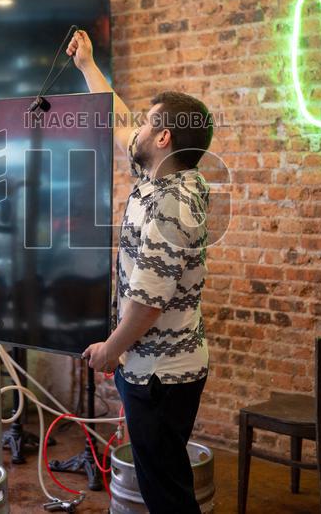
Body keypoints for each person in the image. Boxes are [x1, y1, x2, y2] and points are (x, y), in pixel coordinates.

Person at [67, 30, 213, 513]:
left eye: (150, 124)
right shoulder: (171, 177)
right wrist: (88, 65)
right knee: (165, 483)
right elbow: (121, 122)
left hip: (160, 377)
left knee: (167, 495)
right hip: (161, 371)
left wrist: (111, 351)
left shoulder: (170, 202)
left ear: (164, 137)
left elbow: (148, 303)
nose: (140, 130)